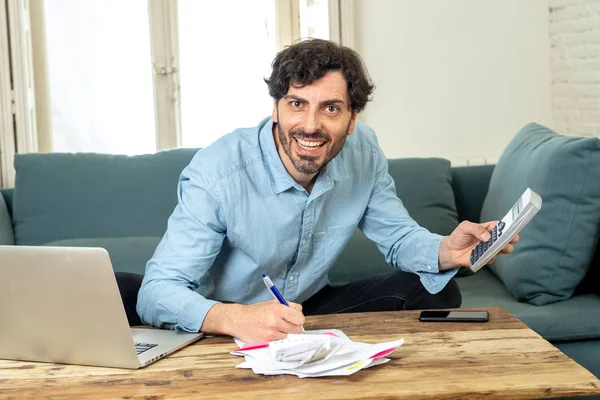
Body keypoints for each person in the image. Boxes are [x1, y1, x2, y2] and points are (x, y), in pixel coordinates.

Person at [133, 38, 518, 343]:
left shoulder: (363, 152)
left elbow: (399, 238)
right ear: (276, 109)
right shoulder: (218, 172)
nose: (311, 125)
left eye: (331, 109)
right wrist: (234, 318)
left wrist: (445, 250)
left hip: (309, 309)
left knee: (437, 292)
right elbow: (157, 292)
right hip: (226, 317)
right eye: (297, 104)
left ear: (352, 119)